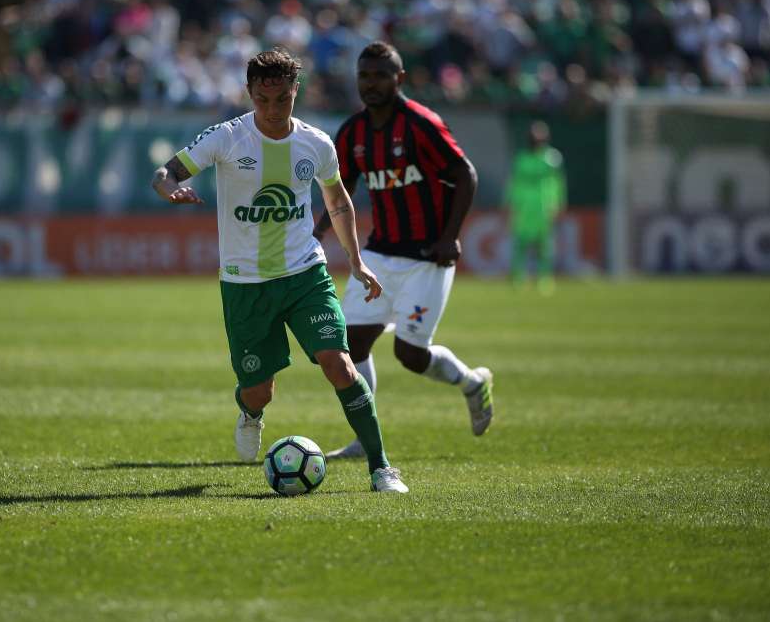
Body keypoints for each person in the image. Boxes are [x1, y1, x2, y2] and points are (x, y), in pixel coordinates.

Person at [150, 49, 409, 493]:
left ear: (295, 93)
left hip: (305, 273)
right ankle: (250, 413)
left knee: (340, 365)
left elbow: (339, 201)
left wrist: (357, 262)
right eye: (262, 100)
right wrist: (170, 190)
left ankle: (381, 468)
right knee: (259, 390)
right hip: (245, 284)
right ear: (250, 93)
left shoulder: (316, 144)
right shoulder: (228, 137)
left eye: (282, 100)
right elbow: (165, 173)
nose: (271, 111)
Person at [313, 41, 494, 460]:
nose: (370, 84)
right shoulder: (354, 132)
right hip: (379, 254)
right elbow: (344, 188)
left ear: (400, 79)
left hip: (428, 256)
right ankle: (365, 438)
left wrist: (450, 236)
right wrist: (319, 231)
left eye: (380, 75)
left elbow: (464, 174)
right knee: (349, 346)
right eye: (364, 76)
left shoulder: (420, 124)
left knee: (410, 355)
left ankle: (472, 383)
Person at [506, 121, 566, 294]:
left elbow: (558, 183)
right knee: (521, 244)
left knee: (544, 246)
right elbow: (514, 183)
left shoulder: (553, 158)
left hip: (544, 206)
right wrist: (510, 203)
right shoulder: (521, 158)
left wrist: (559, 203)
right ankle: (518, 278)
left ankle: (544, 279)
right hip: (524, 207)